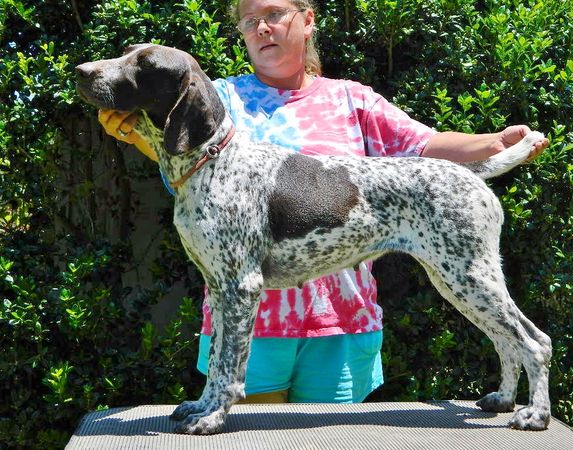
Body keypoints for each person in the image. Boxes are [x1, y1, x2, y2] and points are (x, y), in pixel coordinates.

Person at [99, 0, 548, 405]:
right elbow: (187, 165)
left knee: (471, 291)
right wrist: (136, 132)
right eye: (250, 21)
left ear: (307, 20)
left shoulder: (352, 98)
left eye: (274, 14)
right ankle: (514, 383)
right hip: (256, 336)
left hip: (342, 325)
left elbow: (424, 145)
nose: (262, 28)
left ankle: (527, 381)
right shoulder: (218, 99)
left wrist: (495, 144)